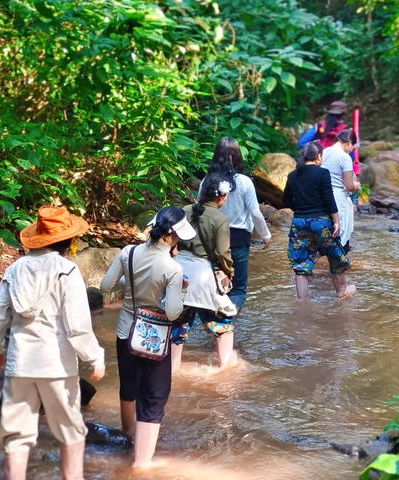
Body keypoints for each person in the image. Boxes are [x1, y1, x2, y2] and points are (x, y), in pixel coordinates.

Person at [0, 205, 105, 480]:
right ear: (69, 242)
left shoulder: (15, 269)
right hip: (57, 366)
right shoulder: (68, 271)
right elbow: (77, 326)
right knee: (71, 434)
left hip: (19, 364)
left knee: (17, 437)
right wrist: (95, 356)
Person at [100, 206, 196, 468]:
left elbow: (105, 287)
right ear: (171, 236)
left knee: (128, 386)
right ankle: (142, 464)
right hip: (153, 339)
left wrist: (131, 281)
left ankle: (128, 438)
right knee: (153, 397)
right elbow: (174, 312)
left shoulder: (128, 252)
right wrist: (181, 290)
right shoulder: (172, 268)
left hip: (125, 332)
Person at [175, 174, 238, 369]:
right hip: (203, 275)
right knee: (222, 326)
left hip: (178, 272)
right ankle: (225, 370)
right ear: (221, 196)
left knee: (178, 328)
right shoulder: (220, 218)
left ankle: (172, 372)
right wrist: (229, 273)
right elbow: (223, 252)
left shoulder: (184, 211)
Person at [203, 137, 271, 315]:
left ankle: (215, 324)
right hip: (239, 238)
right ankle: (229, 323)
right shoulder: (244, 182)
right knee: (238, 289)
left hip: (211, 239)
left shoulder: (206, 182)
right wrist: (265, 236)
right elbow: (255, 213)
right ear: (238, 156)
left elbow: (199, 212)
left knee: (215, 284)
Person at [283, 142, 356, 300]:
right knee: (335, 255)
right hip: (321, 222)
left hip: (299, 222)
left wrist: (301, 208)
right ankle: (342, 290)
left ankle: (302, 301)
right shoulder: (323, 173)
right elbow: (329, 199)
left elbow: (286, 201)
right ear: (318, 157)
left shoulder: (293, 175)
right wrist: (336, 221)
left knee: (300, 262)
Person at [322, 130, 361, 253]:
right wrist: (357, 186)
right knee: (339, 237)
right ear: (349, 143)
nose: (351, 150)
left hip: (321, 197)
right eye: (352, 147)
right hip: (338, 199)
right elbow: (349, 186)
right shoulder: (344, 157)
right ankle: (337, 269)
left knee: (324, 233)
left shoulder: (323, 152)